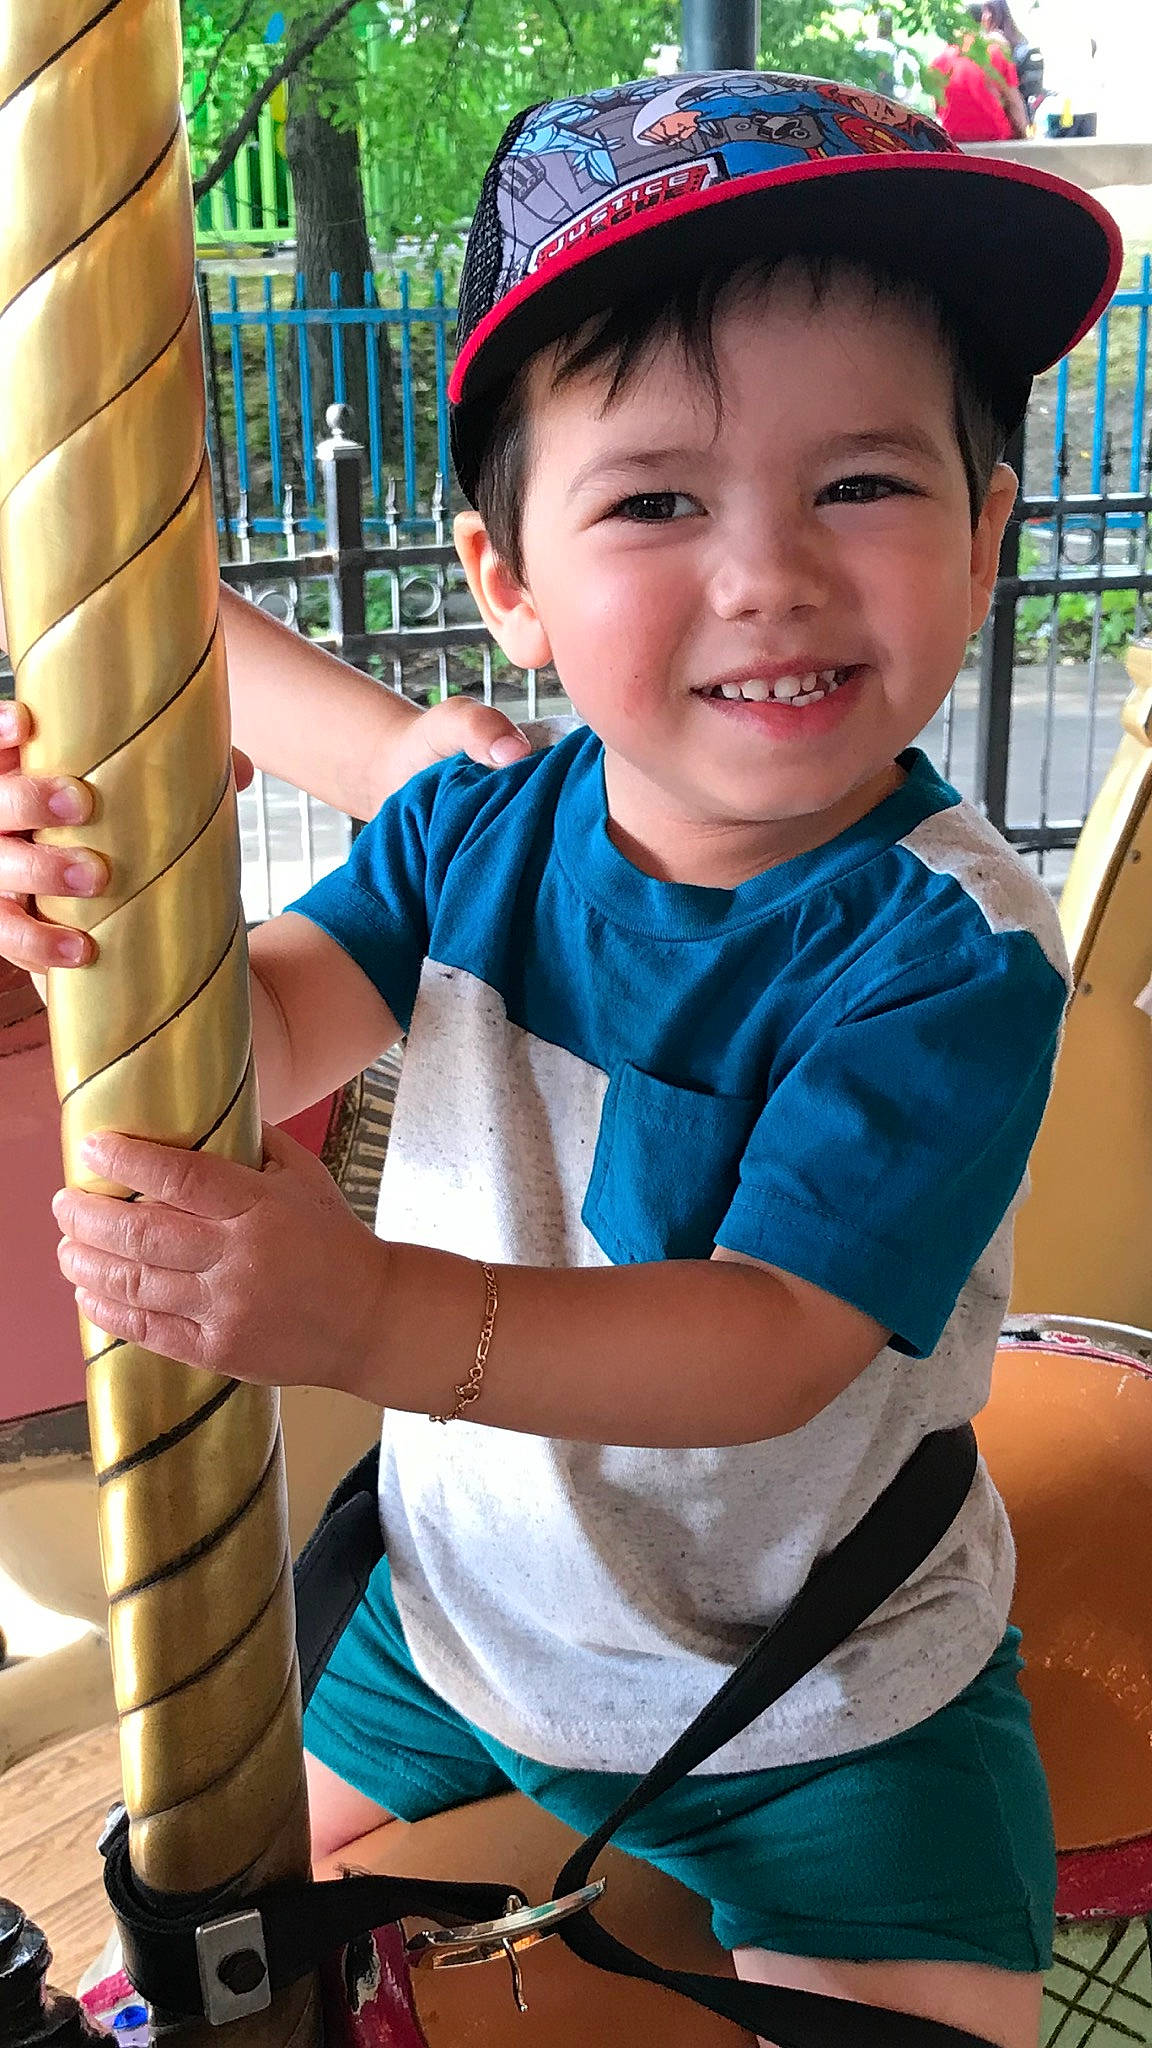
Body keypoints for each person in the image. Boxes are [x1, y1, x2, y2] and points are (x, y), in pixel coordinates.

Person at [4, 73, 1122, 2048]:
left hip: (826, 1688)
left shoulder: (946, 948)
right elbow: (262, 1020)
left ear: (989, 524)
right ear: (509, 583)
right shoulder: (478, 828)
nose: (768, 569)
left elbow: (769, 1337)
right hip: (467, 1624)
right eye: (658, 500)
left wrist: (363, 1314)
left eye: (864, 482)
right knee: (171, 1968)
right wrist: (95, 916)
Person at [933, 6, 1030, 140]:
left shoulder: (940, 59)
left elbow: (937, 107)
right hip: (995, 137)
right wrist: (1025, 138)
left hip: (953, 138)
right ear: (985, 19)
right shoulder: (997, 53)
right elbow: (1014, 103)